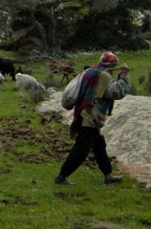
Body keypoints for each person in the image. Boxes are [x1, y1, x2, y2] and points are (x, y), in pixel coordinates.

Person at [55, 52, 132, 186]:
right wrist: (124, 76)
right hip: (90, 116)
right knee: (82, 148)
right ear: (112, 65)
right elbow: (117, 92)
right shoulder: (104, 76)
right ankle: (62, 176)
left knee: (99, 145)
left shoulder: (91, 71)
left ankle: (108, 176)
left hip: (83, 111)